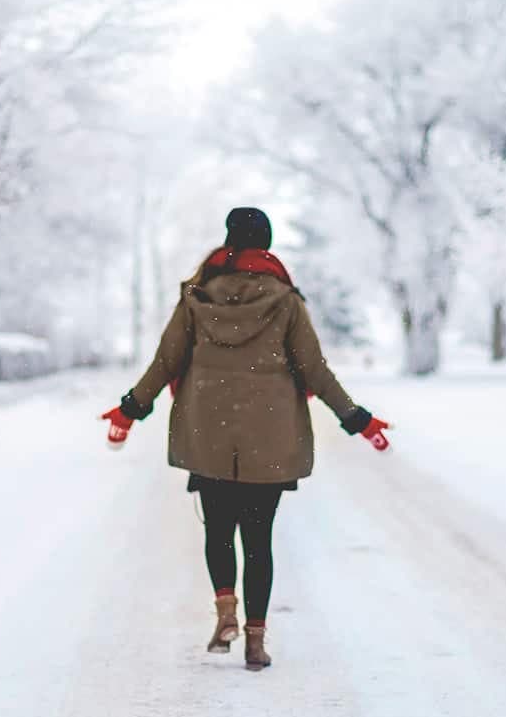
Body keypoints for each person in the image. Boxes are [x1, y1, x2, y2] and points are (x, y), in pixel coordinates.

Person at [100, 207, 391, 672]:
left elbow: (165, 361)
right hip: (269, 437)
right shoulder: (286, 301)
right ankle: (255, 644)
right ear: (267, 246)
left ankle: (226, 612)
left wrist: (130, 408)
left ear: (230, 243)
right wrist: (358, 419)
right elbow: (314, 369)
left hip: (206, 432)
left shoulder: (197, 296)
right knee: (259, 541)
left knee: (217, 530)